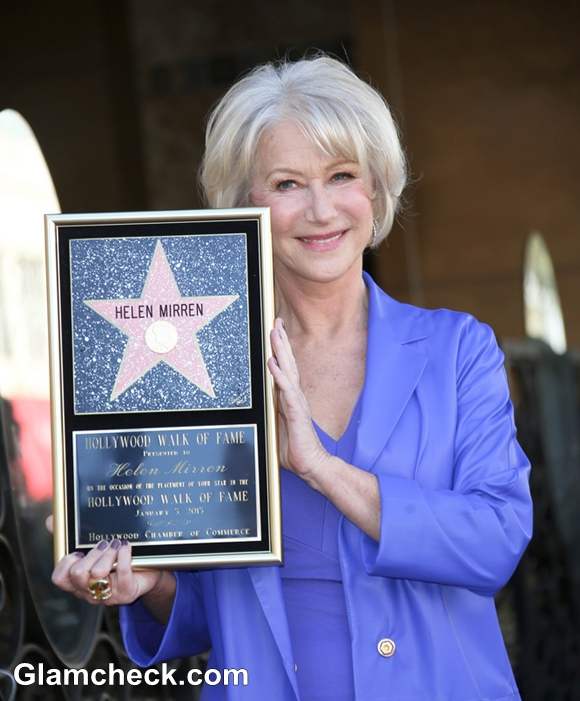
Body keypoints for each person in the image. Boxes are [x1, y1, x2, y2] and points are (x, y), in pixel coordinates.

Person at [51, 55, 532, 700]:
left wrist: (322, 468)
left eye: (342, 176)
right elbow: (202, 614)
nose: (320, 209)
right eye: (286, 184)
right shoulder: (190, 361)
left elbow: (494, 544)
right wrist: (149, 587)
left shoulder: (456, 349)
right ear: (243, 202)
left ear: (377, 191)